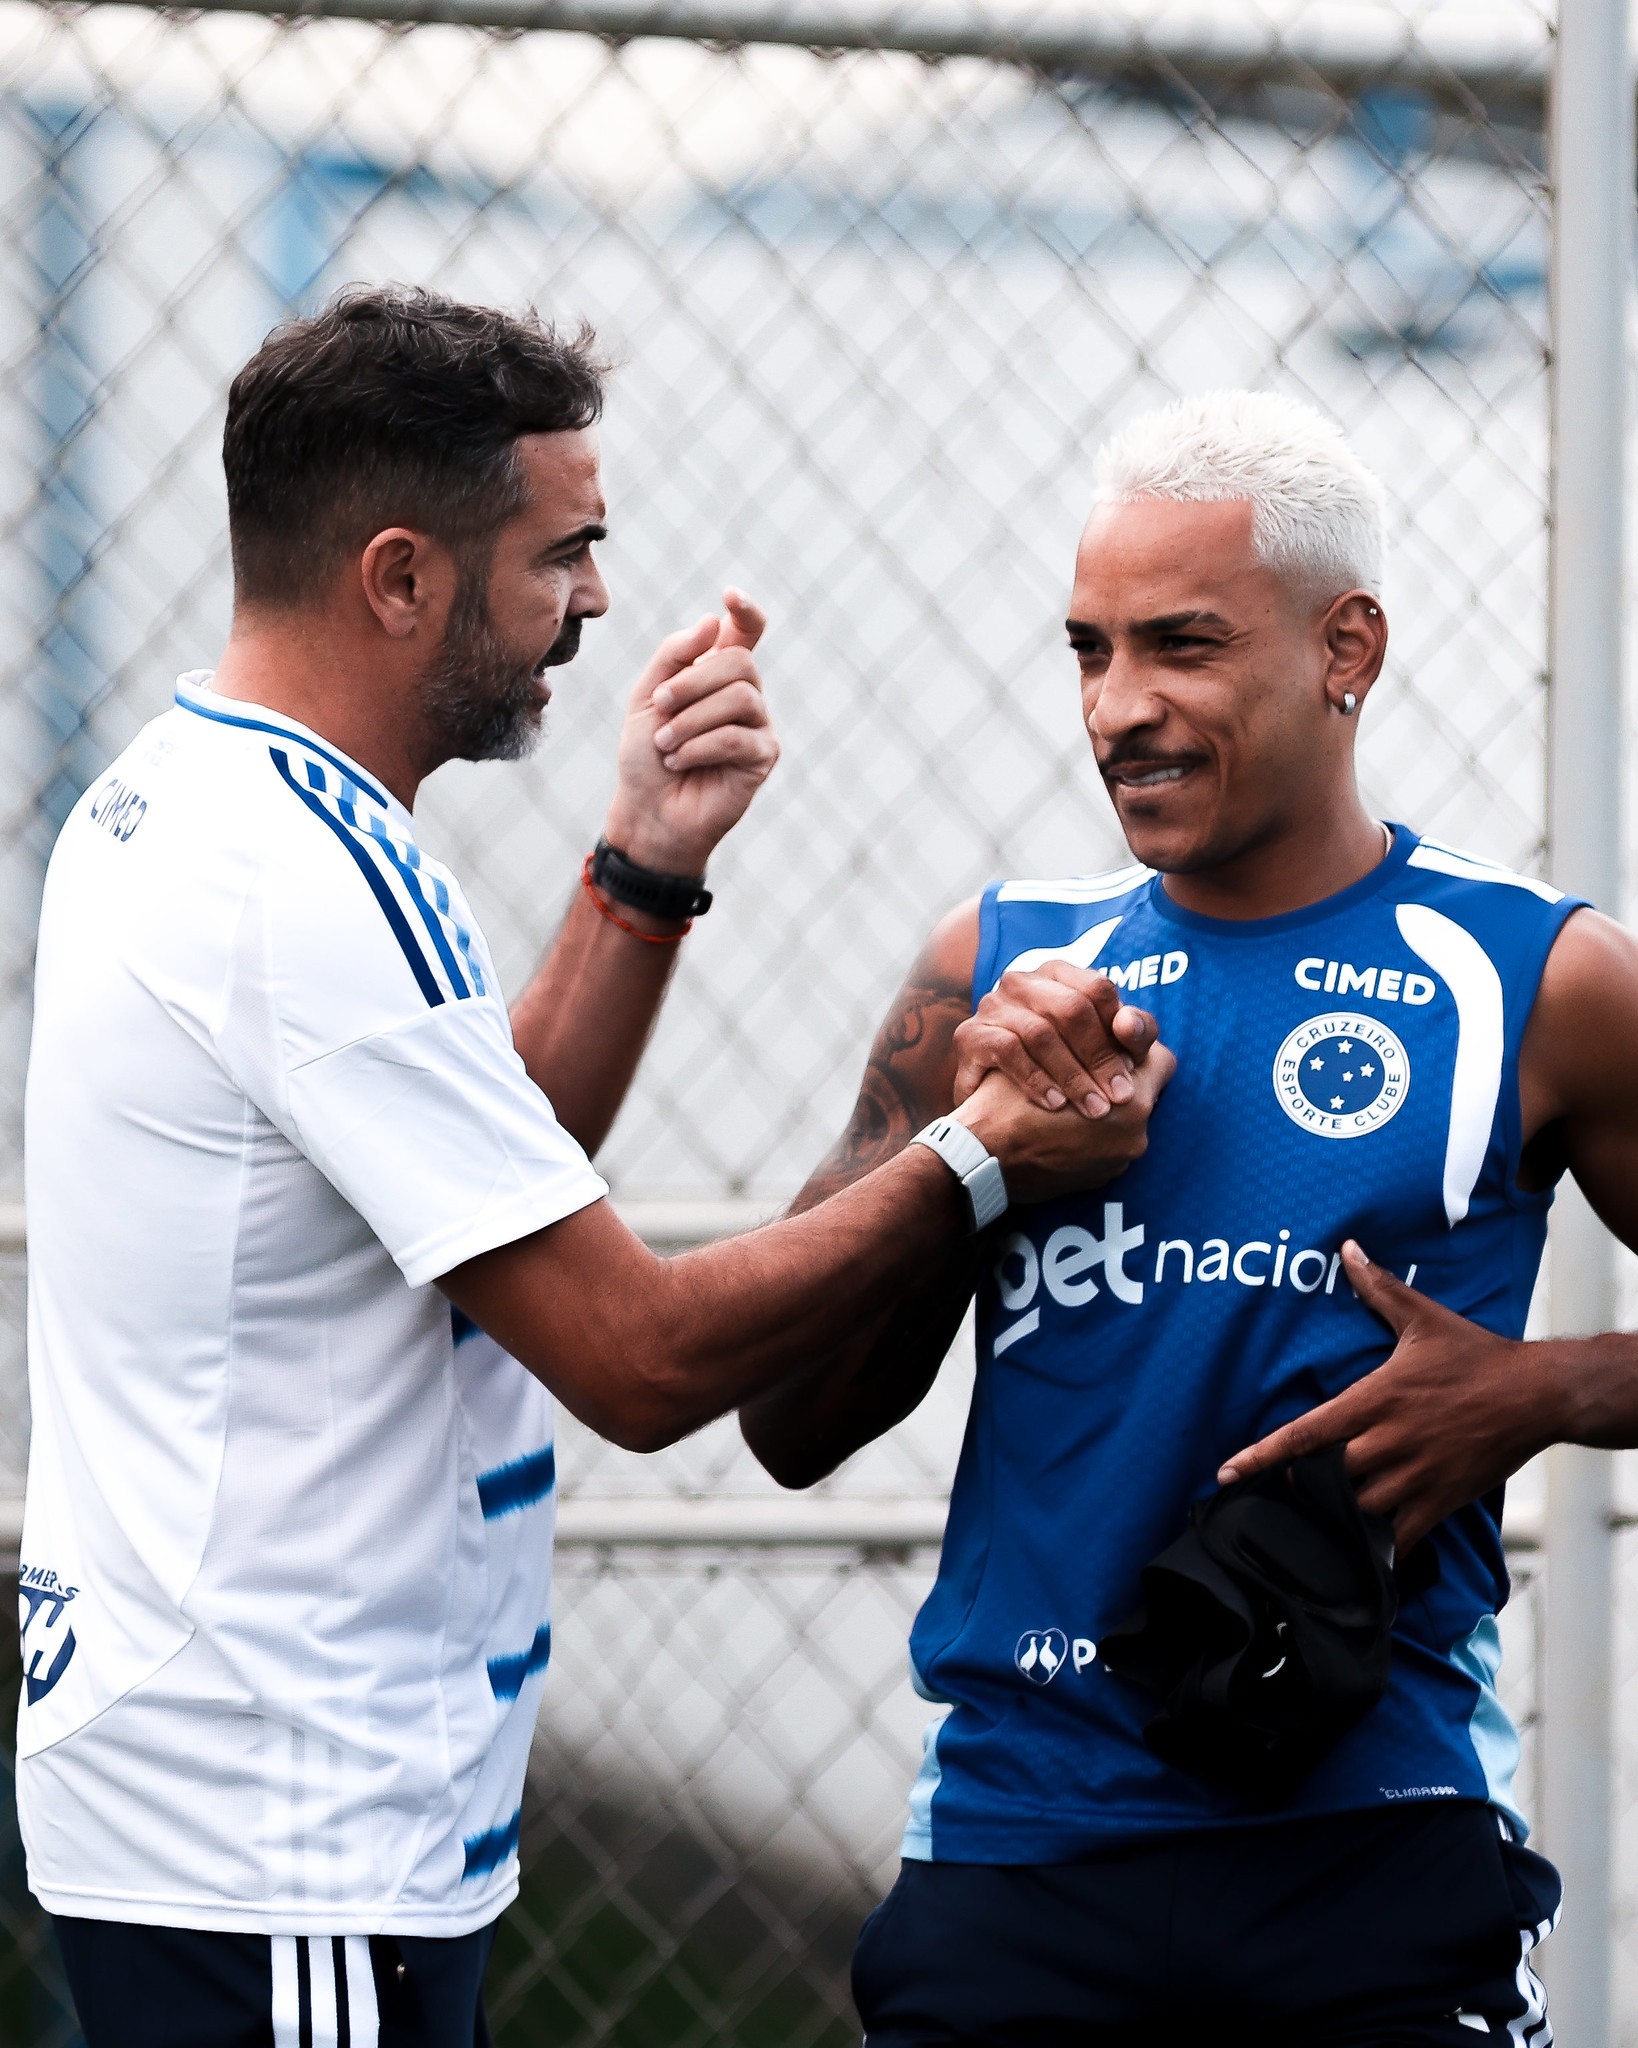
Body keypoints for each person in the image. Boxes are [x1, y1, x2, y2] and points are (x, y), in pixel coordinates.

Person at [17, 286, 1171, 2048]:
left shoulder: (198, 798)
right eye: (566, 549)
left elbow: (490, 1170)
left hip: (239, 1820)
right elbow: (632, 1360)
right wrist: (985, 1153)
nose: (599, 600)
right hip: (280, 1846)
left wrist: (644, 860)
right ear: (400, 578)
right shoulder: (298, 881)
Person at [742, 388, 1638, 2046]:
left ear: (1342, 646)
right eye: (1087, 650)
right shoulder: (995, 968)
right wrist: (975, 1149)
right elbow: (788, 1425)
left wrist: (1541, 1394)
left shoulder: (1533, 976)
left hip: (1366, 1853)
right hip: (1020, 1852)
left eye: (1180, 646)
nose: (1117, 708)